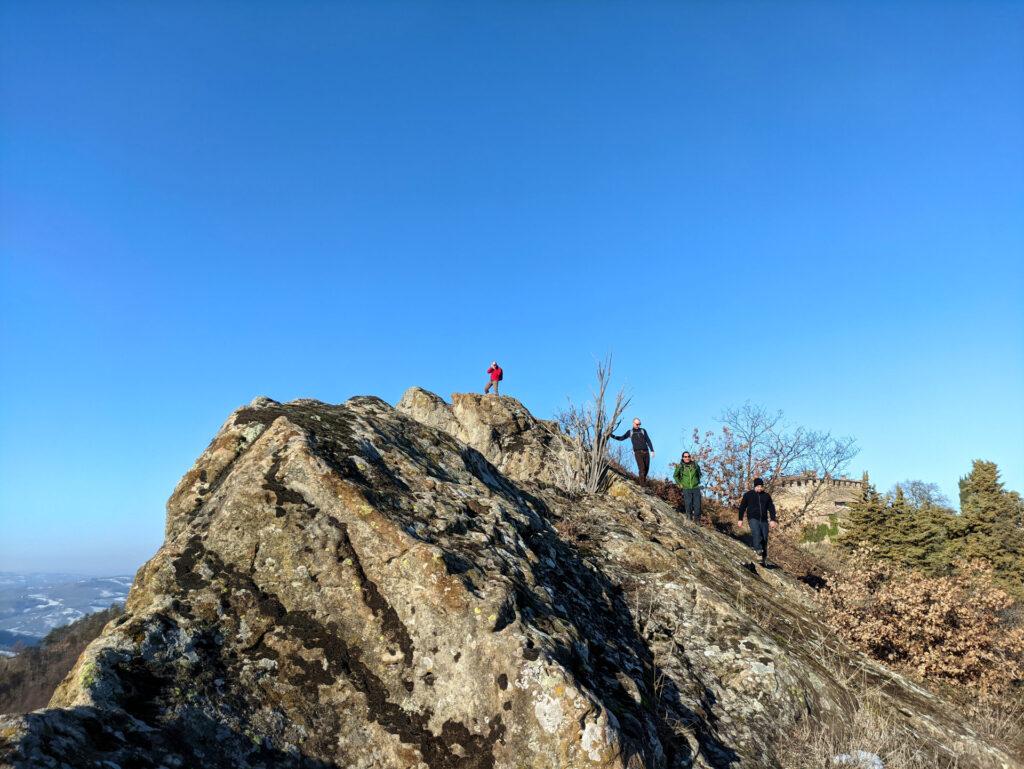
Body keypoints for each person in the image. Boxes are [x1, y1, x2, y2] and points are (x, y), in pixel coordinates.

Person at [737, 478, 777, 567]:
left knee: (764, 538)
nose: (760, 488)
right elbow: (742, 507)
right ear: (755, 486)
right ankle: (758, 551)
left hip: (764, 520)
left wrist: (773, 520)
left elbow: (771, 508)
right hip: (752, 518)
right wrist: (740, 519)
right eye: (758, 486)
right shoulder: (748, 495)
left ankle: (763, 558)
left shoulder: (766, 496)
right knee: (756, 533)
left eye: (761, 486)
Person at [611, 418, 655, 485]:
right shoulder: (630, 432)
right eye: (637, 424)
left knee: (646, 469)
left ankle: (643, 482)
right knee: (642, 469)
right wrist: (612, 436)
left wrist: (652, 450)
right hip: (637, 453)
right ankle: (642, 485)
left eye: (639, 424)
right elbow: (621, 438)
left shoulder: (643, 431)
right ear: (633, 423)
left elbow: (648, 440)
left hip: (646, 452)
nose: (638, 425)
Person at [672, 451, 702, 523]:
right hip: (686, 488)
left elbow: (699, 473)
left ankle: (697, 521)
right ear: (683, 458)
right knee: (688, 504)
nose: (687, 458)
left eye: (688, 456)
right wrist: (679, 483)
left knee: (697, 505)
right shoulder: (680, 466)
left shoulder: (695, 465)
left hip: (696, 488)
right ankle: (689, 518)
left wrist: (697, 481)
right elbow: (675, 476)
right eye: (685, 457)